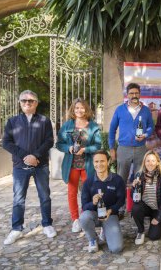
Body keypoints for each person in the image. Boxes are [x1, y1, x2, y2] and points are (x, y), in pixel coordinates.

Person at [2, 90, 57, 245]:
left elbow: (49, 141)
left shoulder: (44, 121)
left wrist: (35, 156)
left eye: (30, 101)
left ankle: (47, 224)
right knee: (18, 198)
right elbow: (6, 142)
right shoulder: (12, 122)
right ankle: (16, 229)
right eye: (24, 100)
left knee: (45, 196)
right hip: (20, 165)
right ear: (20, 103)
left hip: (41, 165)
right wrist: (25, 156)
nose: (27, 103)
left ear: (36, 103)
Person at [57, 98, 102, 233]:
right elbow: (59, 144)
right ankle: (75, 219)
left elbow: (98, 145)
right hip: (72, 165)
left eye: (82, 108)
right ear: (73, 109)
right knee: (72, 193)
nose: (79, 110)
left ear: (86, 109)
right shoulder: (67, 125)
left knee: (88, 192)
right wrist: (68, 148)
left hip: (87, 164)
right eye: (76, 108)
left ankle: (85, 216)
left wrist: (85, 150)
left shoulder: (93, 126)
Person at [79, 150, 126, 253]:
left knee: (116, 248)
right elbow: (84, 207)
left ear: (108, 162)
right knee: (83, 217)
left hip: (110, 215)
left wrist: (111, 210)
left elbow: (121, 201)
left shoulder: (117, 180)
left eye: (102, 161)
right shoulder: (88, 182)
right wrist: (93, 203)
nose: (99, 164)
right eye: (96, 162)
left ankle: (105, 230)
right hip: (94, 215)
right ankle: (93, 240)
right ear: (93, 163)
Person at [109, 83, 154, 184]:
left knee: (140, 178)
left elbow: (151, 127)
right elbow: (112, 129)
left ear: (140, 94)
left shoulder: (146, 110)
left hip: (141, 149)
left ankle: (137, 199)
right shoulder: (120, 109)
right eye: (131, 93)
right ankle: (121, 199)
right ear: (127, 95)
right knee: (121, 179)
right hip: (123, 149)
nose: (134, 95)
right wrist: (112, 148)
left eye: (136, 93)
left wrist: (145, 135)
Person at [130, 150, 161, 245]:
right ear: (144, 162)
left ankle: (155, 220)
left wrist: (159, 218)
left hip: (158, 209)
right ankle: (140, 231)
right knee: (136, 207)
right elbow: (135, 198)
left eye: (153, 160)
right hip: (145, 206)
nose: (150, 163)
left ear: (157, 162)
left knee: (154, 236)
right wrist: (134, 187)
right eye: (148, 161)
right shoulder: (139, 175)